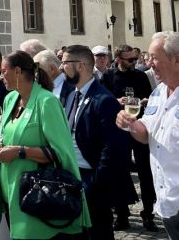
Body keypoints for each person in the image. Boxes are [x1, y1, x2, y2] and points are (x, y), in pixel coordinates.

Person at [117, 31, 179, 240]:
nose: (148, 63)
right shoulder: (157, 93)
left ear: (177, 59)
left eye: (154, 57)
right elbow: (147, 135)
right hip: (165, 199)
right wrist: (131, 125)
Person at [0, 50, 90, 238]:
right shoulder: (10, 99)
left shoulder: (47, 102)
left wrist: (19, 152)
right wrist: (1, 144)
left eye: (4, 71)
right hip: (10, 192)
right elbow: (11, 135)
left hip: (38, 194)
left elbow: (62, 153)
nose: (1, 76)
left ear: (18, 71)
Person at [61, 45, 130, 240]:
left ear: (80, 66)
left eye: (65, 63)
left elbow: (114, 146)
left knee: (98, 232)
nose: (61, 67)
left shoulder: (103, 99)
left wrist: (96, 182)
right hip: (73, 175)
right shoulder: (72, 95)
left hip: (91, 180)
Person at [101, 44, 156, 231]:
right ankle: (121, 213)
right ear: (118, 60)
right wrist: (116, 101)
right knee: (119, 171)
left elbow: (150, 98)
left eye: (135, 59)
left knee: (145, 171)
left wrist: (144, 101)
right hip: (118, 129)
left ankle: (148, 213)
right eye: (129, 59)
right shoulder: (108, 76)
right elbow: (102, 100)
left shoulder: (140, 75)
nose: (134, 62)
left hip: (139, 126)